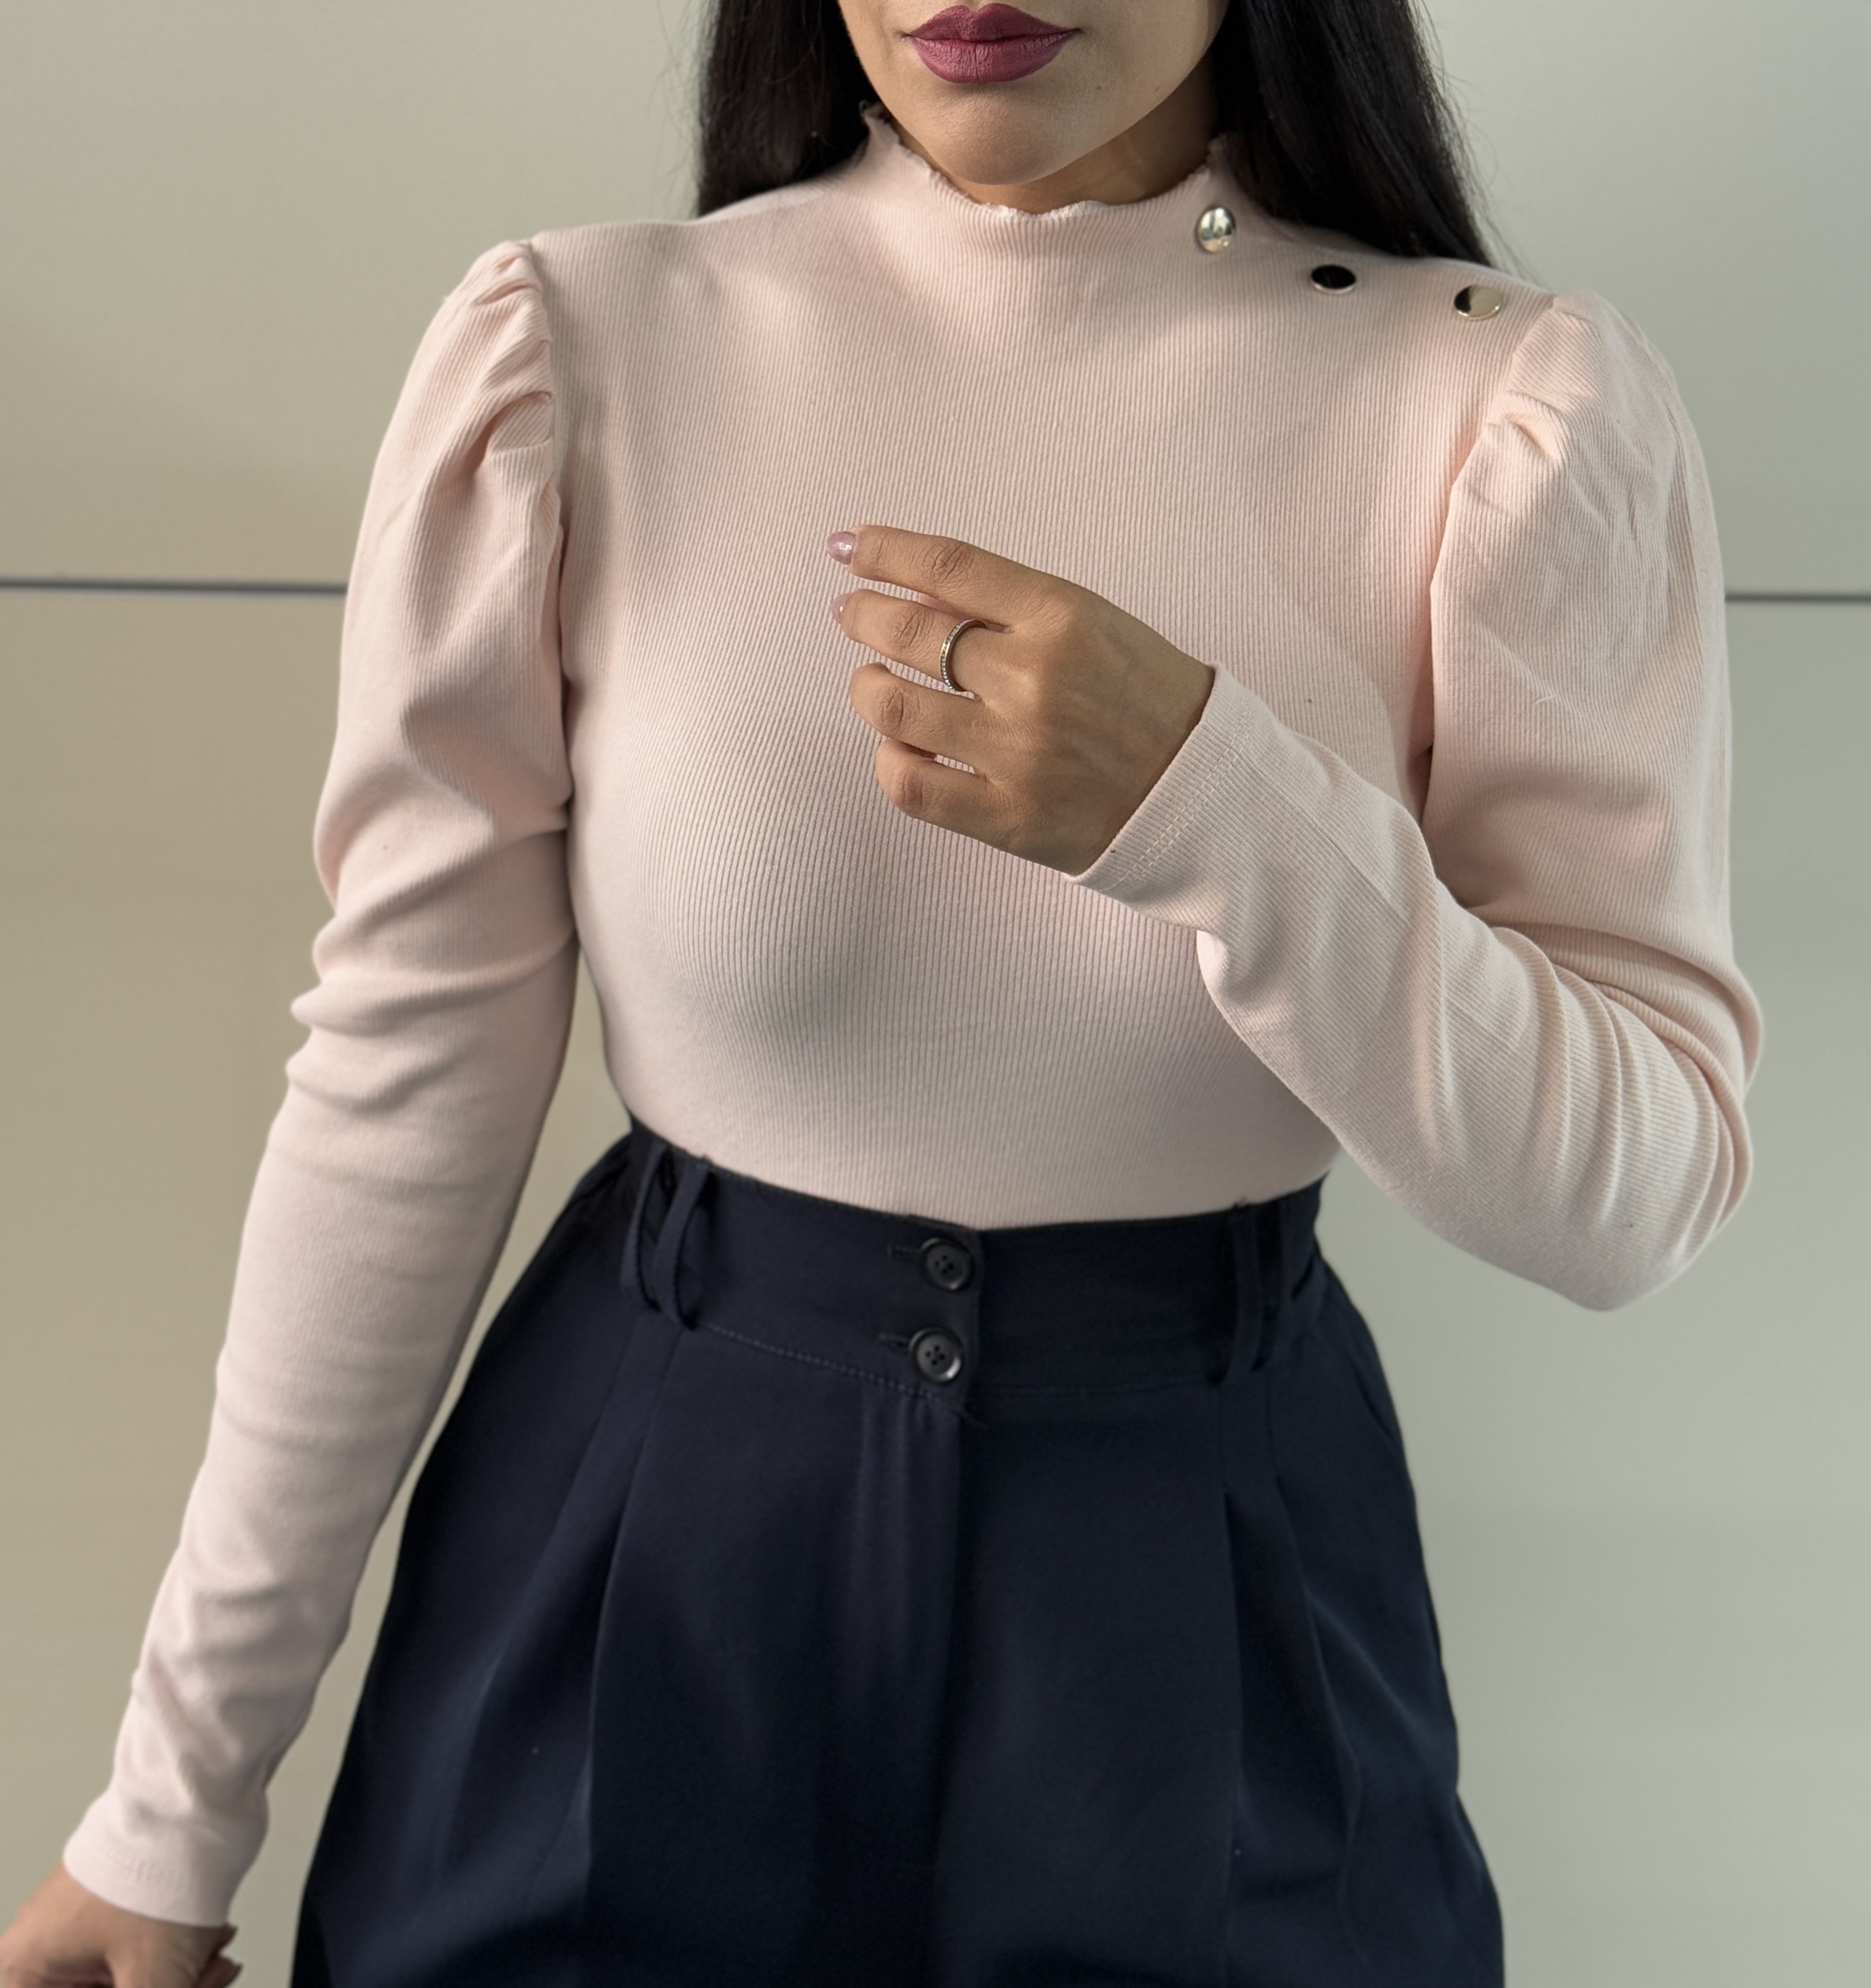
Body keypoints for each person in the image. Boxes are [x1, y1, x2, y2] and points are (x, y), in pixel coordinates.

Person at [0, 0, 1761, 1982]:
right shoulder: (581, 355)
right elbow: (398, 1093)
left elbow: (1635, 1188)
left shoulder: (1501, 405)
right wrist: (168, 1808)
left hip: (1209, 1584)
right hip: (637, 1549)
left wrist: (1214, 798)